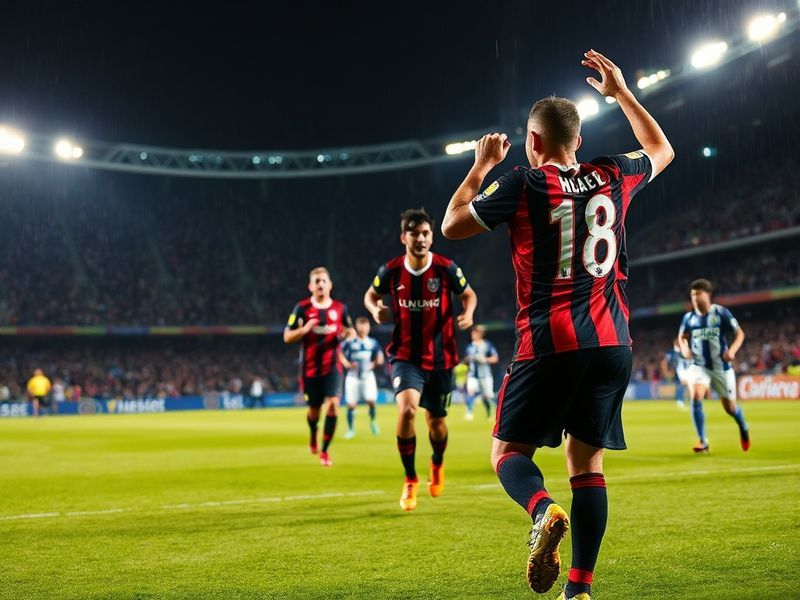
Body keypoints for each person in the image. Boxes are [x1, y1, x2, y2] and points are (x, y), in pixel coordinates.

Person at [441, 50, 674, 599]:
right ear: (579, 140)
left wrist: (480, 167)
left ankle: (542, 511)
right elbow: (662, 149)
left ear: (533, 140)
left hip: (549, 341)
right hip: (612, 342)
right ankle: (580, 589)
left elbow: (451, 225)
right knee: (586, 463)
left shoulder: (523, 183)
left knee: (508, 454)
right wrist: (621, 94)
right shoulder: (612, 172)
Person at [364, 208, 477, 511]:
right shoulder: (390, 271)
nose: (421, 238)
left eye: (426, 233)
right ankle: (410, 479)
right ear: (404, 237)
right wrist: (375, 310)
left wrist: (468, 313)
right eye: (414, 233)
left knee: (436, 423)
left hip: (441, 358)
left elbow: (468, 294)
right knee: (407, 410)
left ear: (432, 236)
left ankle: (437, 463)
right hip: (405, 356)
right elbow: (370, 295)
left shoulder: (446, 268)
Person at [284, 267, 354, 467]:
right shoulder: (302, 308)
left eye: (324, 281)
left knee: (333, 405)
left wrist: (346, 334)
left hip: (333, 367)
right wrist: (305, 329)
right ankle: (313, 432)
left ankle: (324, 450)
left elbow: (350, 331)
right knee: (314, 411)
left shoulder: (340, 308)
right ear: (310, 286)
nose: (321, 284)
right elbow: (287, 336)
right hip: (310, 369)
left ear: (330, 285)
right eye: (317, 281)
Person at [678, 278, 750, 453]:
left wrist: (732, 350)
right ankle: (703, 441)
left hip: (721, 368)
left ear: (708, 294)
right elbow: (682, 337)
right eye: (693, 295)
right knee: (696, 396)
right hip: (699, 366)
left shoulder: (720, 313)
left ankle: (743, 426)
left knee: (730, 409)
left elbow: (739, 333)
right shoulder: (689, 318)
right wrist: (685, 349)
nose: (695, 298)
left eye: (698, 294)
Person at [338, 316, 384, 438]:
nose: (363, 329)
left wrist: (375, 362)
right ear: (357, 327)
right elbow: (339, 351)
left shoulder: (372, 342)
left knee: (371, 401)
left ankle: (373, 421)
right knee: (351, 404)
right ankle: (351, 429)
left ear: (368, 328)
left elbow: (380, 357)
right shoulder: (350, 342)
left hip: (367, 376)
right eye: (361, 326)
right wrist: (346, 363)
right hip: (352, 377)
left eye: (365, 326)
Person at [464, 325, 499, 420]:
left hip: (485, 375)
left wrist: (484, 359)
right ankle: (469, 413)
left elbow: (495, 358)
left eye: (474, 333)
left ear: (480, 334)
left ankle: (492, 412)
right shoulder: (469, 346)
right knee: (470, 393)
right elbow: (466, 360)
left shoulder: (487, 345)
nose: (472, 335)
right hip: (472, 375)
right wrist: (468, 360)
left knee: (487, 396)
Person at [660, 339, 690, 408]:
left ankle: (680, 400)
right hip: (676, 371)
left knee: (682, 385)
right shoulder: (672, 352)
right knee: (682, 384)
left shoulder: (683, 351)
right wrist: (666, 371)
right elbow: (664, 362)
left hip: (683, 371)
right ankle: (680, 400)